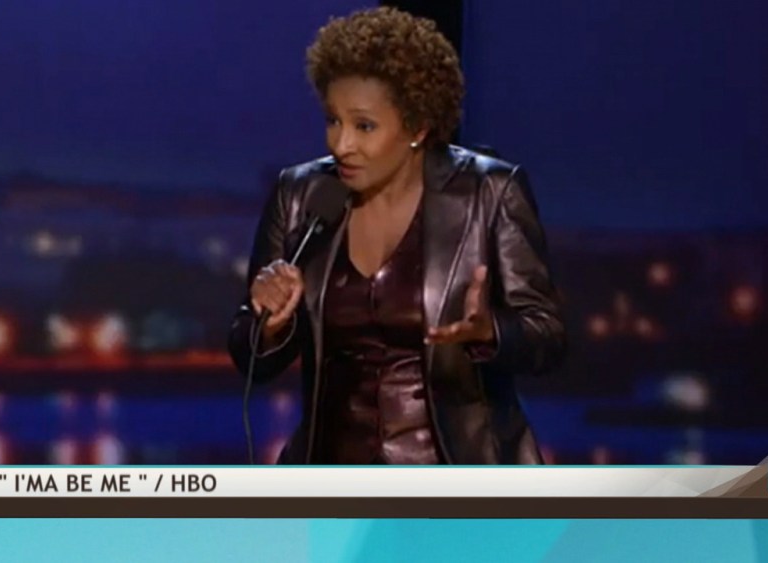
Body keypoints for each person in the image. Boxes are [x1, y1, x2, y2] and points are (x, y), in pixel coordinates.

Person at [228, 7, 566, 464]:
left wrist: (490, 332)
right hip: (331, 478)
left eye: (364, 126)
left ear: (417, 127)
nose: (341, 144)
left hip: (455, 478)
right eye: (333, 120)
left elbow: (547, 336)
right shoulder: (299, 196)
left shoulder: (489, 192)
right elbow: (250, 356)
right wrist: (271, 325)